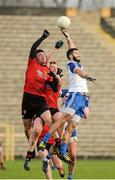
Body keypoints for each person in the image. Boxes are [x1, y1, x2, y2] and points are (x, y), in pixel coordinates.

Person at [38, 29, 96, 163]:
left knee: (72, 126)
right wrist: (86, 76)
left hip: (84, 98)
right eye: (76, 53)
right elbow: (79, 72)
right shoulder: (72, 64)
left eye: (78, 52)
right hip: (75, 95)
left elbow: (72, 50)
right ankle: (45, 140)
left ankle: (63, 151)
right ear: (71, 56)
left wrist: (69, 37)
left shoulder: (76, 61)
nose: (78, 53)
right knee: (64, 119)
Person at [24, 61, 64, 171]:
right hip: (41, 109)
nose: (54, 69)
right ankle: (29, 157)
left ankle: (59, 146)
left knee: (60, 119)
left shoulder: (57, 80)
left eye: (56, 68)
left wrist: (55, 76)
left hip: (52, 110)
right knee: (36, 131)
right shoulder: (42, 80)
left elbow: (58, 83)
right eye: (52, 68)